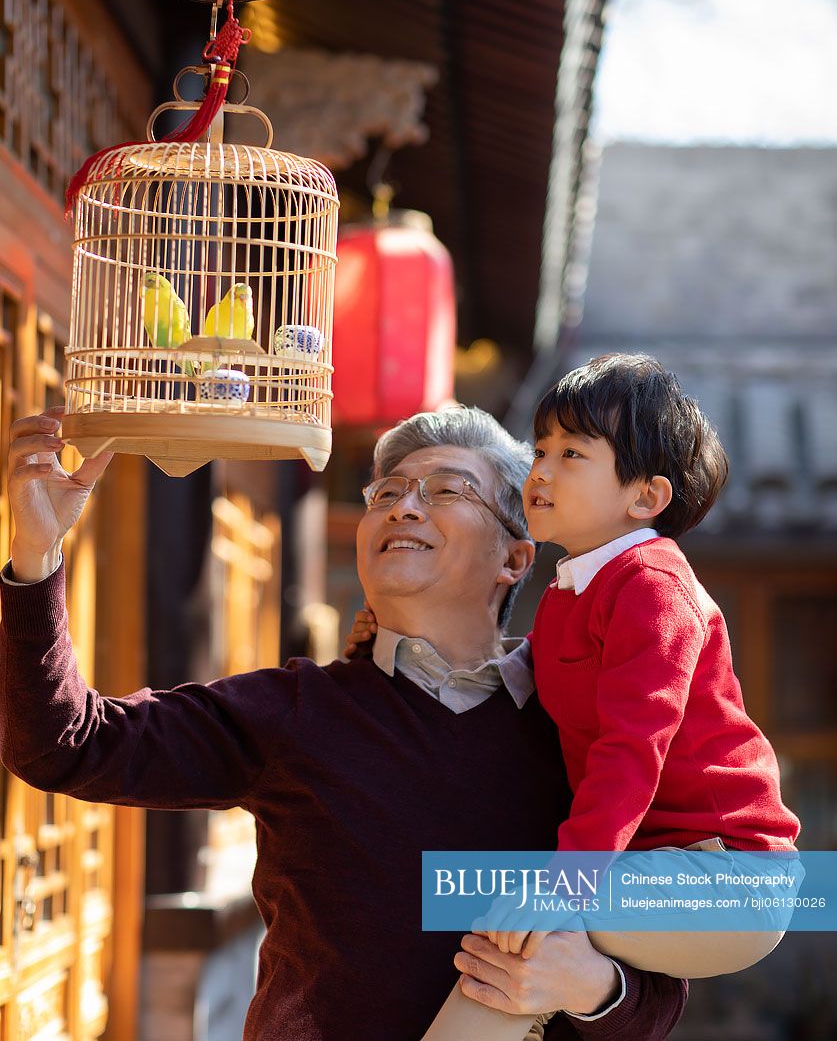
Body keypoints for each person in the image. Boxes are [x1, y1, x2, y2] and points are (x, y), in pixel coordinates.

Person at [0, 404, 688, 1041]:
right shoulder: (292, 712)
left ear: (513, 557)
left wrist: (596, 987)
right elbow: (65, 744)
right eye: (386, 493)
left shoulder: (587, 730)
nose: (404, 506)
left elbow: (663, 985)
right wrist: (36, 557)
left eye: (446, 490)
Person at [371, 354, 799, 1041]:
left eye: (572, 453)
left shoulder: (652, 586)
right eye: (540, 448)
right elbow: (511, 682)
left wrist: (564, 881)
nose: (539, 469)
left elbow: (633, 748)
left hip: (729, 874)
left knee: (518, 923)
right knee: (505, 954)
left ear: (644, 497)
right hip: (652, 865)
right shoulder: (570, 595)